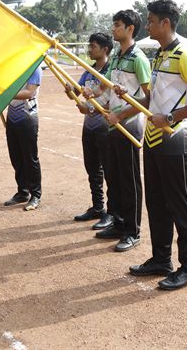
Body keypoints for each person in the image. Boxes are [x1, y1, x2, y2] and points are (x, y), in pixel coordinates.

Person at [118, 0, 187, 291]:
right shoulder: (159, 56)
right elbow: (151, 99)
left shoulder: (185, 55)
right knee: (157, 203)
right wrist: (126, 99)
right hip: (152, 137)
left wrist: (171, 118)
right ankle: (161, 259)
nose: (147, 25)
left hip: (175, 138)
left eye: (150, 21)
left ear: (165, 23)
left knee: (180, 204)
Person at [82, 9, 150, 252]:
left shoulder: (138, 59)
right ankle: (119, 223)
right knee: (116, 178)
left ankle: (133, 231)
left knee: (129, 180)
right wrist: (92, 94)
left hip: (129, 125)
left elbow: (148, 97)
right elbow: (105, 87)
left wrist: (121, 114)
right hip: (112, 125)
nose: (113, 29)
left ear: (130, 28)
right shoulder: (118, 59)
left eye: (118, 25)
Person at [68, 32, 113, 229]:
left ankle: (112, 212)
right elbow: (77, 92)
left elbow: (114, 101)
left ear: (105, 49)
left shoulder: (111, 71)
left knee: (109, 171)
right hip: (89, 127)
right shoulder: (89, 70)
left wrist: (92, 108)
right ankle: (98, 207)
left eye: (93, 46)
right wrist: (70, 89)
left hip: (106, 127)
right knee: (92, 168)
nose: (89, 50)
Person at [4, 65, 43, 211]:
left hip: (28, 118)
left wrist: (5, 94)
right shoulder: (13, 67)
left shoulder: (35, 68)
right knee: (16, 157)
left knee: (30, 158)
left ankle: (35, 194)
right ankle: (22, 191)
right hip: (12, 118)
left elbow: (29, 92)